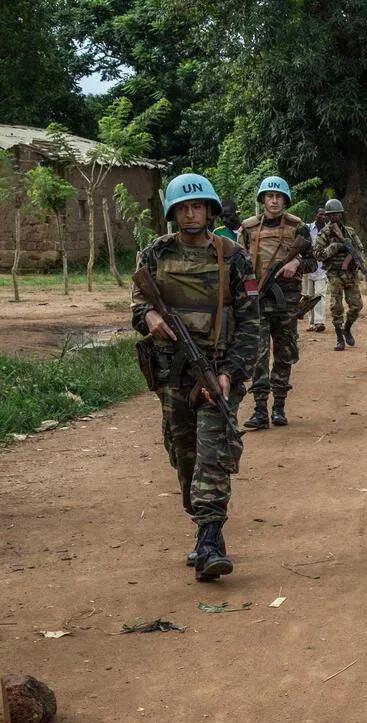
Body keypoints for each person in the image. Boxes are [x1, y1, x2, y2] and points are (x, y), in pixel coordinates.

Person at [130, 172, 261, 580]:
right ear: (173, 213)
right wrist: (148, 315)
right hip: (172, 376)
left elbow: (251, 323)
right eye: (184, 207)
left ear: (209, 211)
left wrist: (230, 373)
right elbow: (137, 305)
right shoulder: (153, 255)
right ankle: (201, 524)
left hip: (218, 371)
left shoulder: (232, 256)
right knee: (183, 455)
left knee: (213, 453)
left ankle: (210, 539)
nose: (191, 214)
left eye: (198, 207)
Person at [239, 176, 315, 429]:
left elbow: (313, 261)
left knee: (284, 354)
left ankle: (279, 406)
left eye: (278, 196)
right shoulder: (248, 229)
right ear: (262, 200)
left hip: (286, 302)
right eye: (270, 196)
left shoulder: (298, 227)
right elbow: (238, 264)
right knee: (258, 356)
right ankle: (260, 409)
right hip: (257, 302)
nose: (274, 200)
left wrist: (296, 263)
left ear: (285, 200)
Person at [312, 198, 365, 351]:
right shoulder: (324, 234)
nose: (336, 217)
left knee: (356, 306)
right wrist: (335, 247)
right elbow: (317, 254)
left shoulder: (350, 231)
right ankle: (339, 337)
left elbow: (360, 249)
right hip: (334, 273)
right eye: (332, 215)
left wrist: (357, 259)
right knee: (336, 306)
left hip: (350, 273)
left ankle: (347, 328)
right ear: (327, 217)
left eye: (338, 214)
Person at [304, 208, 328, 333]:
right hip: (308, 269)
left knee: (319, 295)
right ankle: (312, 322)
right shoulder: (307, 228)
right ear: (316, 215)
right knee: (309, 296)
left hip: (322, 269)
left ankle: (319, 322)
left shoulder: (329, 231)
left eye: (324, 214)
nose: (322, 216)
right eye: (320, 214)